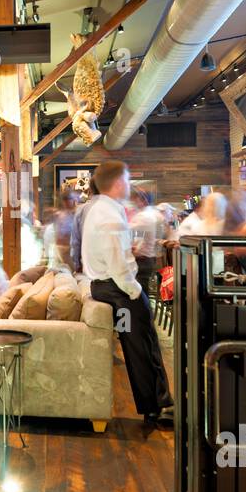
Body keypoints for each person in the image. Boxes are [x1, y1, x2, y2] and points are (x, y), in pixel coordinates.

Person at [81, 159, 172, 427]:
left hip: (105, 286)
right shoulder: (109, 214)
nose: (130, 185)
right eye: (128, 179)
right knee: (143, 345)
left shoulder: (97, 208)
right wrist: (134, 291)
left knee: (138, 346)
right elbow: (117, 266)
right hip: (118, 290)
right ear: (119, 182)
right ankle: (159, 406)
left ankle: (155, 405)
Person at [130, 188, 164, 296]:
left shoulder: (144, 216)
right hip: (145, 258)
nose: (134, 202)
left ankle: (144, 307)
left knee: (141, 294)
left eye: (137, 199)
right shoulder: (146, 214)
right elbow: (140, 236)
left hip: (143, 260)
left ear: (144, 200)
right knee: (141, 292)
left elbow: (126, 229)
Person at [69, 180, 100, 273]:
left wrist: (77, 264)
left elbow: (75, 241)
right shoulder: (114, 208)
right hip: (110, 266)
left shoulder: (82, 210)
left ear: (90, 191)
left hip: (87, 264)